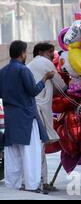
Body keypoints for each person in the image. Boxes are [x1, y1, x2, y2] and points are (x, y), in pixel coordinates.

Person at [0, 41, 54, 193]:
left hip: (11, 118)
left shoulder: (2, 72)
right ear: (22, 53)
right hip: (26, 117)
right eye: (25, 53)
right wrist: (45, 78)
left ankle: (12, 185)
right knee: (31, 153)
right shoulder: (23, 70)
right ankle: (31, 185)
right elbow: (33, 90)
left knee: (13, 154)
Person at [27, 43, 67, 192]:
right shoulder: (45, 63)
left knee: (36, 148)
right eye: (50, 51)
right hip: (40, 111)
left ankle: (39, 180)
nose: (53, 54)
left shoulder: (31, 64)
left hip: (32, 110)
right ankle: (40, 181)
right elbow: (61, 87)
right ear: (41, 52)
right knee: (39, 148)